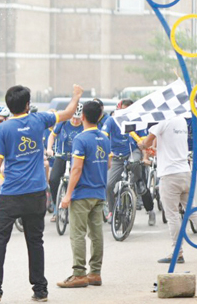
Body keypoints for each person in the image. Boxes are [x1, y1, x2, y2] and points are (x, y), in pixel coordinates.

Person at [0, 84, 82, 304]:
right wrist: (75, 95)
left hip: (11, 194)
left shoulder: (2, 129)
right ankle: (40, 290)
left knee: (0, 241)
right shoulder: (39, 120)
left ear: (9, 107)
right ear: (28, 105)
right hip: (36, 194)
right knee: (35, 242)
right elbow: (68, 113)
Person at [137, 115, 197, 264]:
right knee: (193, 211)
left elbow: (146, 143)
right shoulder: (182, 121)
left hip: (169, 174)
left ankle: (177, 252)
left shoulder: (162, 121)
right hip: (185, 171)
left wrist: (141, 144)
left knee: (172, 215)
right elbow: (167, 142)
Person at [56, 100, 110, 289]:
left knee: (77, 233)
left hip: (83, 193)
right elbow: (108, 164)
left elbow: (76, 169)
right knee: (96, 234)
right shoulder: (104, 137)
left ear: (83, 117)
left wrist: (67, 194)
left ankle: (79, 273)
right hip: (99, 192)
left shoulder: (80, 139)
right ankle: (95, 273)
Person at [101, 99, 156, 225]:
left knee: (141, 184)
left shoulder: (138, 120)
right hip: (116, 156)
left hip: (133, 152)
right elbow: (104, 135)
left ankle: (150, 209)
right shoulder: (111, 120)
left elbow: (143, 142)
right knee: (109, 185)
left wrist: (145, 157)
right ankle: (111, 211)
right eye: (123, 109)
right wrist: (107, 152)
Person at [46, 103, 84, 224]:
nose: (75, 120)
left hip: (77, 157)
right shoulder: (63, 123)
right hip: (61, 155)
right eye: (73, 117)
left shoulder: (84, 126)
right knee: (53, 179)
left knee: (80, 179)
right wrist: (49, 148)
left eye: (78, 118)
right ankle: (56, 205)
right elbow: (52, 135)